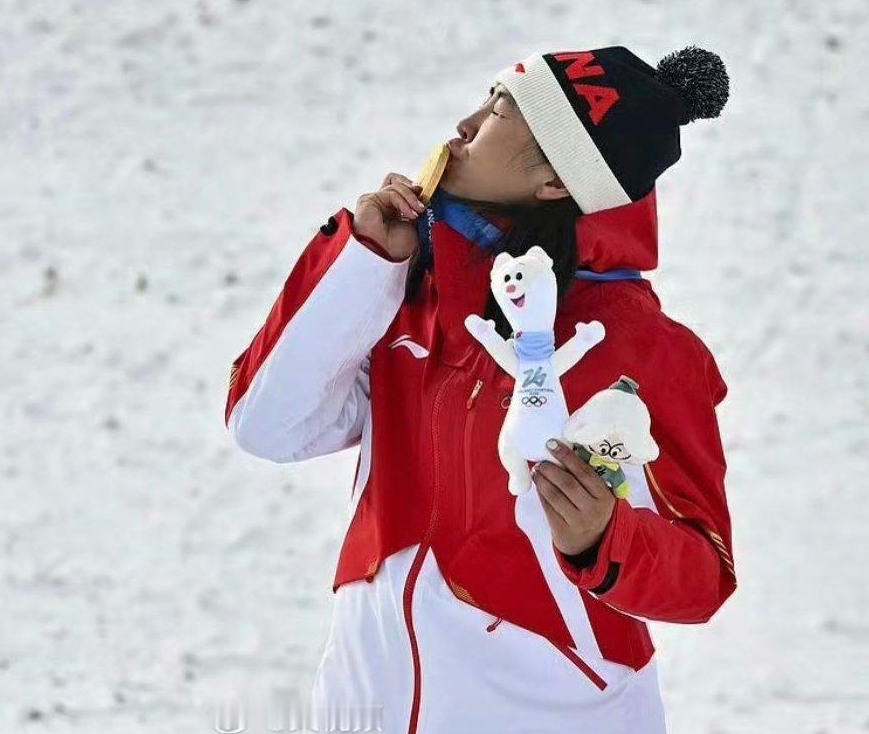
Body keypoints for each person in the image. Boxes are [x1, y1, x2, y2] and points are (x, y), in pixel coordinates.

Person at [223, 45, 735, 733]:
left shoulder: (643, 350)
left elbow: (704, 573)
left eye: (499, 112)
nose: (462, 125)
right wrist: (363, 263)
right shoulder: (413, 291)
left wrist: (601, 538)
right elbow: (267, 426)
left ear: (557, 180)